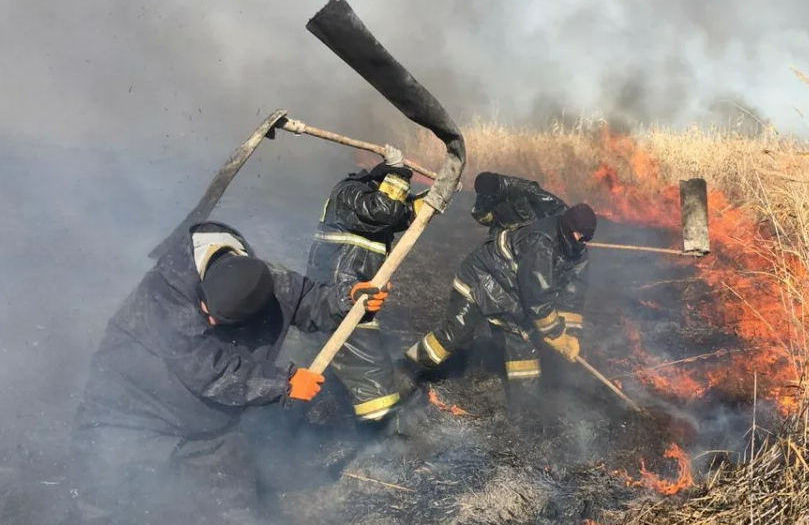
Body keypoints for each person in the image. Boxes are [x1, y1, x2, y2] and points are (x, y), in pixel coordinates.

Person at [66, 220, 389, 525]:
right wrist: (284, 383)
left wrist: (347, 300)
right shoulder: (166, 292)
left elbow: (308, 299)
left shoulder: (263, 281)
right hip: (129, 411)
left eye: (219, 321)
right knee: (102, 500)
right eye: (206, 312)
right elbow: (211, 372)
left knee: (235, 512)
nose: (209, 322)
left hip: (207, 428)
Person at [275, 144, 426, 428]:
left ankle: (291, 419)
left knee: (330, 364)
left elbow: (402, 215)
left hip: (349, 290)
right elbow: (385, 210)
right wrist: (399, 174)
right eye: (392, 186)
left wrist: (436, 196)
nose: (396, 193)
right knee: (374, 378)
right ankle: (382, 434)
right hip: (340, 291)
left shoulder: (368, 202)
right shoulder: (350, 192)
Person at [405, 202, 595, 414]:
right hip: (481, 282)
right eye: (581, 236)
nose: (583, 242)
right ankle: (408, 369)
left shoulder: (579, 254)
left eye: (587, 238)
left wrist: (571, 335)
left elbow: (573, 297)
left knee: (524, 355)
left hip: (514, 299)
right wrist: (556, 334)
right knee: (455, 335)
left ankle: (525, 411)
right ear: (568, 228)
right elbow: (538, 297)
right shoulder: (541, 242)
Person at [470, 171, 568, 237]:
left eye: (492, 196)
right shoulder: (486, 195)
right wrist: (481, 210)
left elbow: (555, 204)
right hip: (505, 232)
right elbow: (489, 222)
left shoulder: (523, 188)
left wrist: (569, 226)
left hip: (531, 229)